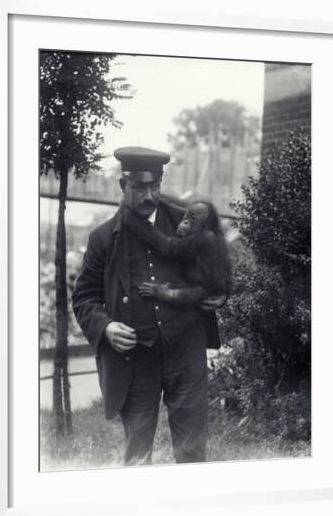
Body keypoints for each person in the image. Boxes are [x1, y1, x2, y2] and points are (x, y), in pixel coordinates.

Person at [72, 146, 227, 466]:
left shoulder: (188, 219)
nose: (148, 196)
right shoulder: (103, 238)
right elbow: (84, 297)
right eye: (139, 188)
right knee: (138, 453)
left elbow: (220, 263)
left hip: (185, 350)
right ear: (122, 186)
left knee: (192, 450)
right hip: (136, 359)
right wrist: (106, 326)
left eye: (154, 187)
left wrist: (220, 292)